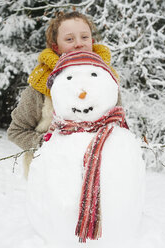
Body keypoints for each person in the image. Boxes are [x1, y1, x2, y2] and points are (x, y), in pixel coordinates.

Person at [7, 11, 120, 178]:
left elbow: (117, 124)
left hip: (97, 177)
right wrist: (48, 143)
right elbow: (16, 131)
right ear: (55, 46)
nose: (79, 44)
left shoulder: (106, 79)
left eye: (84, 37)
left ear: (92, 40)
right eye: (69, 39)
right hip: (51, 178)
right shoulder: (40, 86)